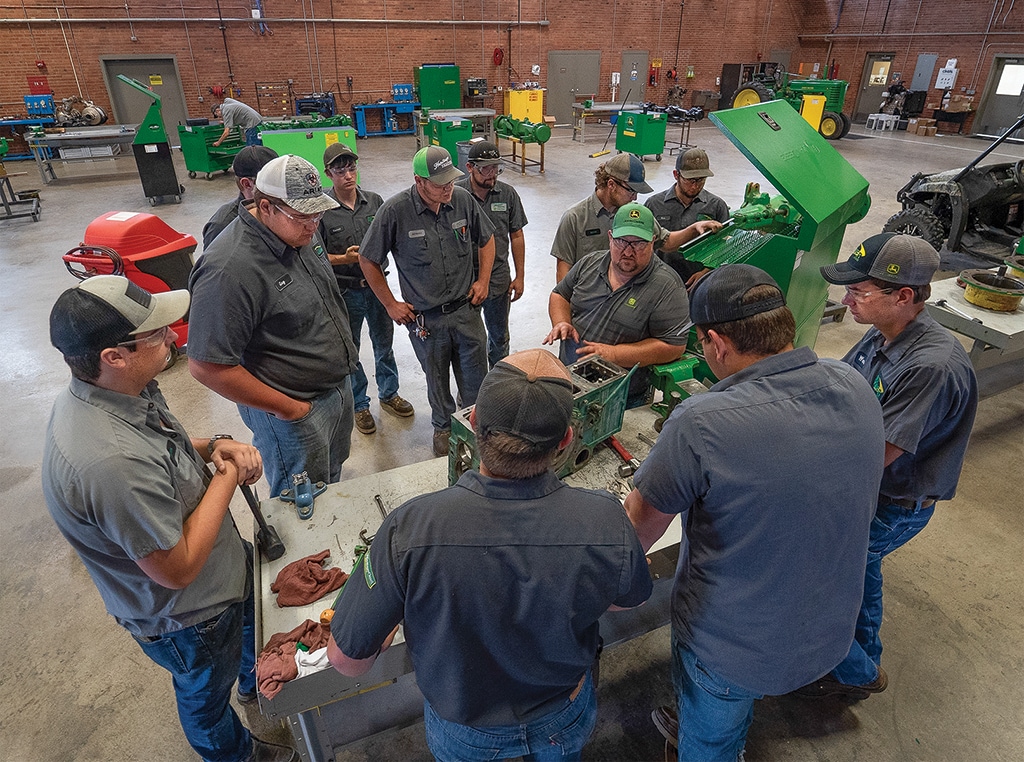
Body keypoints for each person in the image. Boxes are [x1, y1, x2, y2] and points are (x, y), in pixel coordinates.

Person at [327, 348, 653, 761]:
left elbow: (347, 662)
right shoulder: (604, 516)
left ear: (474, 421)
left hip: (466, 731)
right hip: (561, 716)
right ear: (568, 438)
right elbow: (632, 598)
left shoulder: (409, 529)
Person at [624, 264, 885, 760]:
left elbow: (632, 538)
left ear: (717, 344)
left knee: (712, 741)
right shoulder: (853, 383)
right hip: (829, 630)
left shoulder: (701, 423)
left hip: (731, 652)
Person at [41, 275, 297, 762]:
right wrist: (226, 474)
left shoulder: (117, 390)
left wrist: (212, 445)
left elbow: (163, 448)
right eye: (156, 334)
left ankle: (252, 682)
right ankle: (235, 754)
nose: (174, 337)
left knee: (249, 635)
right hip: (190, 617)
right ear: (113, 356)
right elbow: (176, 570)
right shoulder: (109, 463)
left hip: (220, 573)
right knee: (205, 699)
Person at [802, 233, 978, 698]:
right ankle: (864, 651)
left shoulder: (929, 366)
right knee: (861, 567)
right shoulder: (886, 331)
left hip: (895, 500)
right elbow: (841, 390)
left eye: (859, 292)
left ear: (904, 296)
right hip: (873, 485)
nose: (847, 300)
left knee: (819, 574)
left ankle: (858, 672)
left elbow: (873, 455)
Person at [188, 154, 358, 497]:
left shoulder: (301, 231)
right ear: (265, 207)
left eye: (318, 213)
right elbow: (206, 366)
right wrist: (290, 409)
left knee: (332, 478)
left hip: (337, 389)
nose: (313, 225)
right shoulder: (229, 269)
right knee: (301, 500)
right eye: (302, 216)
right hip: (292, 412)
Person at [359, 145, 496, 457]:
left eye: (451, 180)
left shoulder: (462, 200)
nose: (448, 188)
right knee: (436, 381)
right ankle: (443, 427)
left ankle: (475, 425)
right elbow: (368, 260)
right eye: (440, 184)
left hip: (466, 311)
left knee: (477, 377)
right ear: (419, 181)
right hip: (427, 320)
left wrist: (483, 280)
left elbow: (487, 240)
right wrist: (391, 304)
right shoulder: (394, 211)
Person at [544, 203, 690, 407]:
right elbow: (560, 294)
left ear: (652, 242)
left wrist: (614, 354)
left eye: (638, 243)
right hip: (570, 383)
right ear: (610, 237)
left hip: (622, 398)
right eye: (622, 241)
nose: (628, 251)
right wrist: (561, 322)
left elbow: (673, 346)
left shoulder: (667, 287)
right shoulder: (589, 264)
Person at [318, 142, 414, 436]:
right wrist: (343, 259)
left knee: (384, 345)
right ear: (328, 174)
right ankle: (359, 405)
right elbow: (315, 255)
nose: (348, 175)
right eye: (340, 170)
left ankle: (389, 394)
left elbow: (392, 241)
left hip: (378, 289)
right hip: (346, 292)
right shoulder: (322, 210)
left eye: (351, 168)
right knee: (352, 351)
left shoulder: (374, 202)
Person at [549, 152, 722, 281]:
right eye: (631, 190)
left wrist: (693, 229)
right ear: (611, 184)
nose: (635, 198)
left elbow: (666, 242)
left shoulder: (636, 214)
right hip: (589, 300)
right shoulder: (575, 218)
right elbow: (563, 271)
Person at [455, 140, 528, 367]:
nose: (492, 175)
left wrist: (520, 276)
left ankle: (498, 383)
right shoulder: (456, 194)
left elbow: (516, 236)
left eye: (496, 168)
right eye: (485, 169)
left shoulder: (507, 194)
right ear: (470, 167)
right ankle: (471, 387)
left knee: (499, 336)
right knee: (468, 339)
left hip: (497, 278)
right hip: (464, 279)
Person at [644, 147, 730, 284]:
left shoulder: (716, 206)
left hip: (699, 281)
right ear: (676, 175)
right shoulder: (654, 205)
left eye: (701, 180)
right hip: (660, 280)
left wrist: (706, 273)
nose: (695, 186)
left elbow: (725, 246)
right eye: (690, 180)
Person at [204, 145, 279, 249]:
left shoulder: (281, 210)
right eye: (271, 182)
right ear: (247, 184)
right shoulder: (222, 225)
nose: (280, 187)